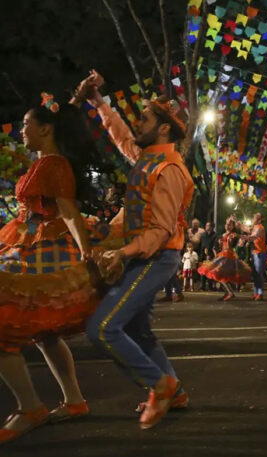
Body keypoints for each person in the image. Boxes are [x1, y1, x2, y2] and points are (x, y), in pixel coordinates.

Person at [78, 71, 194, 429]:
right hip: (143, 254)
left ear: (163, 129)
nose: (137, 123)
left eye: (144, 118)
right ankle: (174, 392)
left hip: (156, 257)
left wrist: (122, 253)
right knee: (140, 334)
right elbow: (122, 137)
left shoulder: (170, 170)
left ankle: (159, 385)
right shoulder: (147, 158)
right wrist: (99, 102)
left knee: (103, 329)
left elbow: (160, 232)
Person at [0, 100, 106, 443]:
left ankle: (30, 407)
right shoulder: (45, 162)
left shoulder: (54, 164)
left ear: (45, 130)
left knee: (5, 327)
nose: (21, 131)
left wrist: (87, 252)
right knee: (44, 333)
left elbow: (69, 211)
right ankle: (74, 401)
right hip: (29, 243)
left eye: (26, 124)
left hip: (43, 251)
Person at [198, 216, 251, 300]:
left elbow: (230, 247)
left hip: (228, 256)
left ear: (233, 226)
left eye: (230, 225)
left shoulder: (232, 235)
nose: (227, 226)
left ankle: (230, 292)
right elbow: (221, 245)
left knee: (219, 274)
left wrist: (229, 241)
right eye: (226, 224)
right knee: (221, 275)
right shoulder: (223, 234)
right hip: (222, 255)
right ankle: (228, 292)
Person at [243, 213, 267, 300]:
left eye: (255, 217)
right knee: (255, 274)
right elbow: (245, 229)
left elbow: (252, 237)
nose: (253, 218)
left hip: (260, 253)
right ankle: (256, 292)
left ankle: (260, 293)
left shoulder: (260, 228)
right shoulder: (255, 228)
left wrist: (241, 237)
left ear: (259, 220)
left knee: (259, 274)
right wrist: (237, 223)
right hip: (255, 253)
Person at [199, 221, 217, 291]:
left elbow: (214, 246)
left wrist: (209, 254)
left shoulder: (215, 235)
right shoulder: (203, 235)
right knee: (203, 271)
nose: (207, 227)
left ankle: (210, 286)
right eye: (206, 225)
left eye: (209, 226)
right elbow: (201, 245)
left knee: (210, 271)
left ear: (212, 227)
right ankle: (202, 286)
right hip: (203, 255)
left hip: (211, 255)